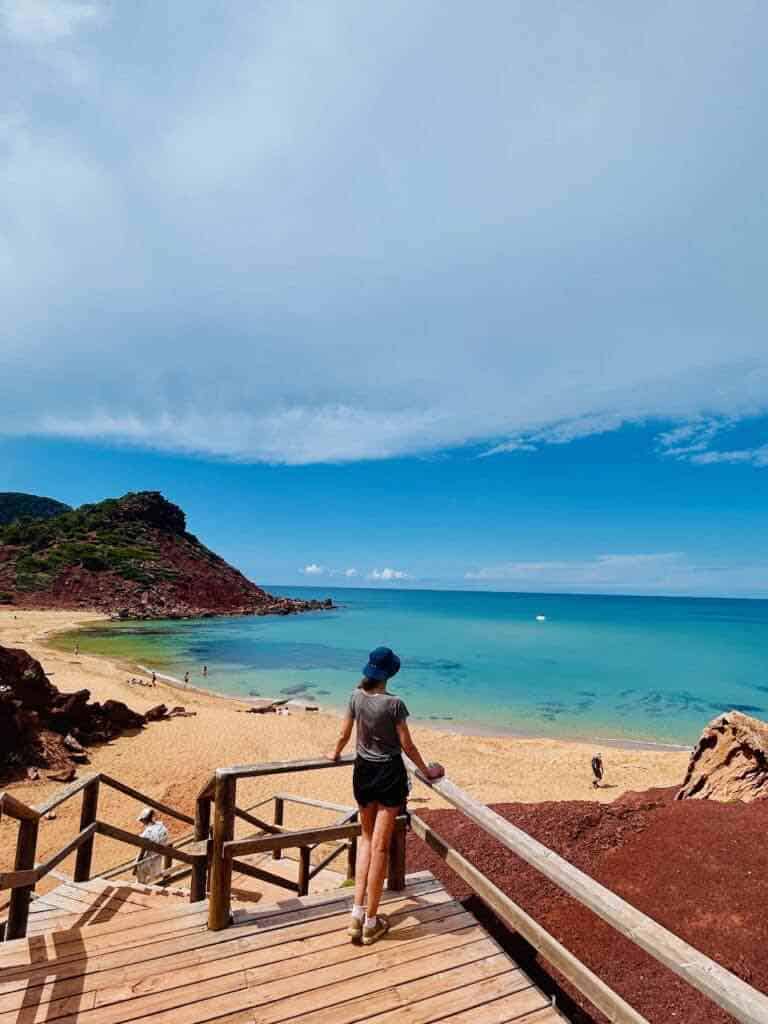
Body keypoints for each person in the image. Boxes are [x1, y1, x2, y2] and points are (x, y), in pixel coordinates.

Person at [326, 646, 444, 946]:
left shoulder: (355, 697)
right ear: (390, 673)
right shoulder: (395, 704)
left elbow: (343, 735)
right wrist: (427, 771)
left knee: (366, 841)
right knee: (380, 847)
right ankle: (370, 922)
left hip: (363, 772)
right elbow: (408, 746)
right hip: (389, 775)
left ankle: (356, 913)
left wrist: (334, 753)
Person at [132, 807, 170, 883]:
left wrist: (135, 866)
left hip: (149, 862)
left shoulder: (146, 834)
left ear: (145, 819)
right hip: (158, 860)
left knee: (140, 876)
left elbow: (142, 853)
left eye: (142, 820)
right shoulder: (162, 827)